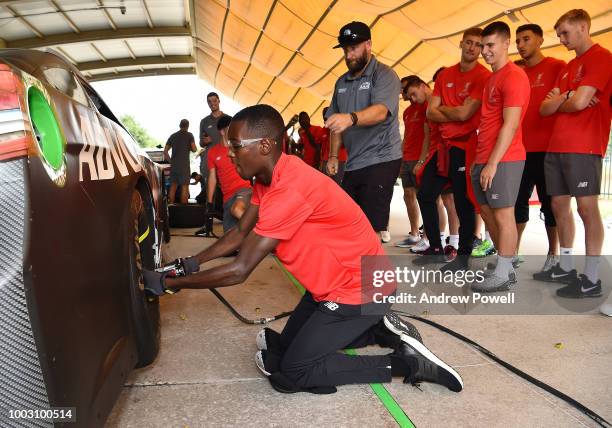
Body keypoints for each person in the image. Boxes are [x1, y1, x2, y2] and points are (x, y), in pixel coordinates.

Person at [143, 104, 463, 394]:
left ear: (265, 145)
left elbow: (239, 270)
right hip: (333, 287)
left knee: (293, 373)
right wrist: (187, 264)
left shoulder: (289, 189)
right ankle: (377, 330)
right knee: (278, 353)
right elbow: (240, 232)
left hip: (361, 290)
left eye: (236, 146)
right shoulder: (268, 177)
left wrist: (172, 285)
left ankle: (409, 363)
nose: (229, 154)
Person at [539, 9, 611, 298]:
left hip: (584, 145)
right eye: (559, 34)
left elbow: (580, 103)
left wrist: (565, 98)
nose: (561, 38)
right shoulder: (569, 67)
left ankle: (591, 278)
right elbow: (544, 108)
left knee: (586, 209)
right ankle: (566, 266)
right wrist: (568, 96)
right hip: (556, 145)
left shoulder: (601, 58)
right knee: (558, 207)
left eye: (565, 33)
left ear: (583, 27)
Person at [325, 21, 402, 243]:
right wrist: (332, 155)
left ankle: (374, 277)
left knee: (372, 229)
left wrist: (351, 118)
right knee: (350, 223)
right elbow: (335, 122)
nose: (349, 55)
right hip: (354, 162)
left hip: (382, 158)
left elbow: (380, 112)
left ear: (368, 44)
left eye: (354, 48)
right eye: (345, 50)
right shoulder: (341, 82)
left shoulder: (384, 75)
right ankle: (356, 275)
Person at [469, 21, 530, 292]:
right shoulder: (492, 77)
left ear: (506, 44)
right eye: (483, 46)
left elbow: (511, 124)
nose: (485, 51)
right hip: (484, 157)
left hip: (505, 158)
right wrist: (480, 160)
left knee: (504, 215)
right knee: (487, 212)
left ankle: (504, 274)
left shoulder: (513, 76)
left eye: (490, 45)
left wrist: (492, 163)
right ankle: (504, 266)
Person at [425, 27, 491, 270]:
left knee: (464, 203)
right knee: (425, 193)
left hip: (465, 147)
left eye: (479, 45)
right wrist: (454, 112)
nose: (473, 48)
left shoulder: (482, 76)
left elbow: (466, 114)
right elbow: (431, 111)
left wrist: (446, 110)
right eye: (469, 43)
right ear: (461, 43)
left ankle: (463, 257)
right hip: (443, 147)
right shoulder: (445, 75)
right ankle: (435, 247)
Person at [514, 23, 565, 277]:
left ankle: (553, 256)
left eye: (526, 39)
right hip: (518, 151)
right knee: (516, 204)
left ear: (541, 40)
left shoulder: (557, 67)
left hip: (548, 149)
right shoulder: (516, 72)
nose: (521, 45)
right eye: (518, 40)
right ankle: (511, 254)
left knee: (550, 204)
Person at [206, 114, 252, 233]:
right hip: (227, 198)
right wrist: (209, 203)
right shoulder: (212, 152)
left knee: (237, 210)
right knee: (230, 238)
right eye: (230, 128)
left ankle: (264, 233)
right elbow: (212, 179)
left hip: (245, 190)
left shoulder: (239, 147)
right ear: (222, 131)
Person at [163, 119, 196, 204]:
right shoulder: (189, 135)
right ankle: (184, 211)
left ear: (179, 125)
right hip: (184, 166)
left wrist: (171, 162)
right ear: (188, 126)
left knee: (173, 187)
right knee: (184, 187)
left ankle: (170, 210)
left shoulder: (173, 136)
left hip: (174, 166)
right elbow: (194, 149)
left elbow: (165, 151)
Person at [321, 106, 347, 184]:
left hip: (340, 161)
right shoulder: (323, 130)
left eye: (328, 117)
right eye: (325, 118)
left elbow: (345, 144)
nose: (327, 120)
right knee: (326, 185)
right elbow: (323, 147)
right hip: (326, 160)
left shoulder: (341, 128)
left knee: (338, 186)